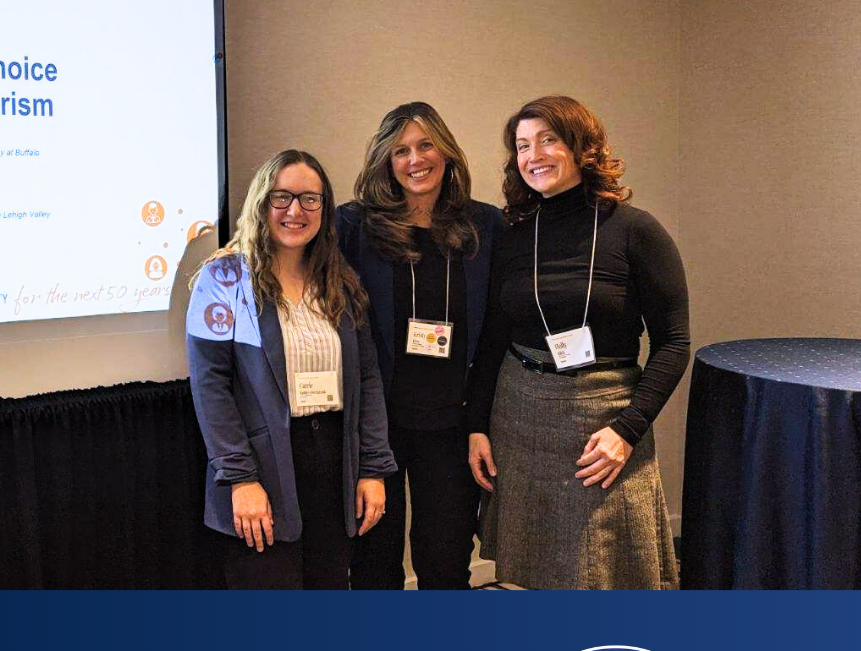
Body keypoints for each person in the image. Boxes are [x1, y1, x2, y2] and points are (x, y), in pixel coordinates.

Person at [467, 95, 689, 589]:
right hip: (521, 414)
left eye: (548, 139)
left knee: (609, 566)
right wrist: (477, 425)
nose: (534, 155)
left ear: (582, 146)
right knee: (530, 566)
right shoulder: (513, 233)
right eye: (523, 145)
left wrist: (627, 431)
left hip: (605, 421)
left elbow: (674, 343)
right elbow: (493, 337)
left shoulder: (636, 231)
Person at [186, 149, 396, 589]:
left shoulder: (340, 281)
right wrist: (240, 479)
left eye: (310, 199)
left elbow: (368, 379)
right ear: (261, 203)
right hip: (262, 469)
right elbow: (211, 386)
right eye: (281, 198)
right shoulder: (223, 280)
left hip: (335, 466)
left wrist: (373, 468)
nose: (295, 211)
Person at [337, 102, 503, 589]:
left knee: (447, 559)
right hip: (376, 424)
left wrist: (480, 423)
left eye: (426, 145)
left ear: (447, 152)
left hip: (452, 425)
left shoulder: (485, 227)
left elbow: (494, 334)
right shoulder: (354, 227)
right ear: (386, 162)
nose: (416, 159)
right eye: (401, 150)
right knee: (372, 559)